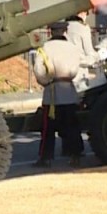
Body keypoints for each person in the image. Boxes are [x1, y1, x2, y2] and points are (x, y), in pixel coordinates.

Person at [32, 20, 88, 167]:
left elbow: (38, 69)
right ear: (65, 32)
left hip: (52, 93)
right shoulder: (72, 48)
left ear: (50, 32)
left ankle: (45, 158)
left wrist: (45, 81)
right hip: (69, 91)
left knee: (48, 129)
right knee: (72, 127)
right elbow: (75, 69)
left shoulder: (45, 47)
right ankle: (75, 156)